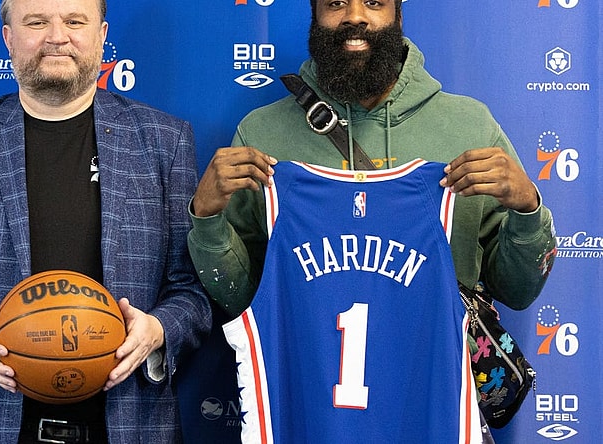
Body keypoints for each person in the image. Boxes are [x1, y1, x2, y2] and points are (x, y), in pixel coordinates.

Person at [187, 0, 556, 441]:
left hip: (433, 410)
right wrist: (207, 220)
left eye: (375, 2)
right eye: (336, 3)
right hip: (311, 412)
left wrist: (527, 208)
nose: (355, 16)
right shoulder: (263, 136)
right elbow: (250, 298)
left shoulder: (469, 128)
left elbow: (518, 290)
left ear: (398, 13)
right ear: (314, 14)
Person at [0, 0, 211, 442]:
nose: (57, 36)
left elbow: (193, 292)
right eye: (36, 22)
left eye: (74, 21)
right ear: (9, 38)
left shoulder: (164, 141)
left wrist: (158, 330)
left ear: (101, 35)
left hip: (130, 427)